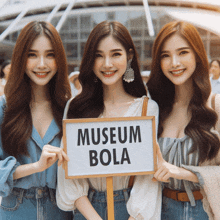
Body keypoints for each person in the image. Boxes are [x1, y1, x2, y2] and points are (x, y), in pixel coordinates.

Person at [56, 21, 161, 220]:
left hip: (131, 210)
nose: (107, 64)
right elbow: (66, 171)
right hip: (87, 209)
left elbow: (149, 178)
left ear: (129, 56)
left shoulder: (147, 109)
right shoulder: (75, 107)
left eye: (115, 54)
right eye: (98, 55)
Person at [147, 21, 220, 219]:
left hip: (204, 210)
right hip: (161, 210)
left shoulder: (215, 105)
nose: (174, 63)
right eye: (165, 56)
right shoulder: (155, 108)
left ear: (197, 55)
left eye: (182, 52)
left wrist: (183, 173)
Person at [0, 21, 73, 220]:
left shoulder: (70, 109)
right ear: (21, 59)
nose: (42, 64)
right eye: (32, 55)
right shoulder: (5, 108)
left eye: (50, 55)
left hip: (60, 209)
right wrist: (36, 167)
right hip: (16, 210)